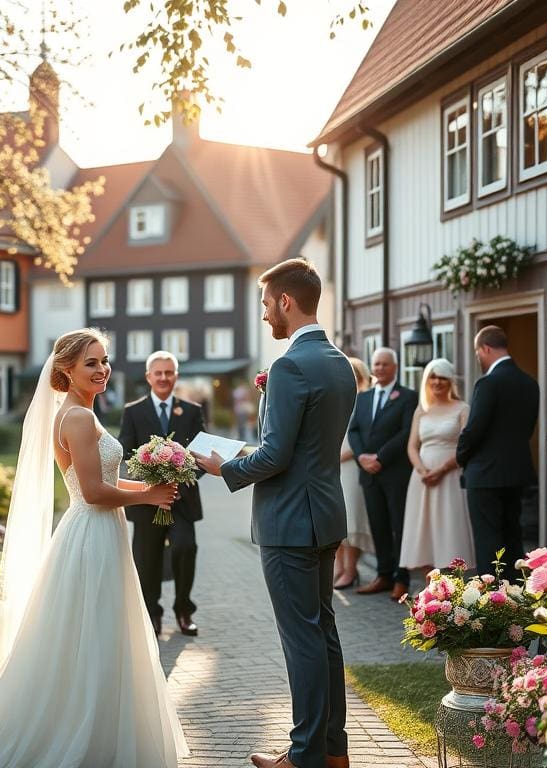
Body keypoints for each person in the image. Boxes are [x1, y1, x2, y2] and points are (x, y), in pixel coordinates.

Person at [0, 329, 189, 766]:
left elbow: (100, 482)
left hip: (96, 530)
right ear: (66, 369)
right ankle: (84, 739)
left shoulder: (79, 411)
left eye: (104, 361)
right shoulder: (79, 418)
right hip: (93, 533)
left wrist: (148, 484)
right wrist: (147, 496)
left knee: (97, 635)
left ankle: (100, 731)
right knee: (95, 635)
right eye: (91, 363)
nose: (102, 369)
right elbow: (92, 492)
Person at [195, 258, 356, 768]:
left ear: (286, 300)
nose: (265, 314)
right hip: (325, 516)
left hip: (289, 523)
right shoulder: (339, 362)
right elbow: (306, 447)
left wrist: (224, 467)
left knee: (302, 640)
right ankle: (333, 750)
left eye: (266, 303)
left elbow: (275, 455)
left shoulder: (290, 366)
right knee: (324, 635)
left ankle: (304, 755)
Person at [119, 350, 206, 637]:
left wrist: (183, 478)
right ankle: (152, 615)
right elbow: (125, 455)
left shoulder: (192, 411)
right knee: (147, 559)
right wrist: (148, 483)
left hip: (182, 500)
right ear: (148, 377)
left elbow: (202, 456)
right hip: (146, 501)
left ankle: (183, 610)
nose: (164, 378)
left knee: (185, 548)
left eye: (169, 372)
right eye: (158, 373)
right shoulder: (133, 411)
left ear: (176, 376)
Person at [457, 325, 539, 581]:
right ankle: (516, 595)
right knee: (513, 537)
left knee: (488, 541)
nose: (478, 358)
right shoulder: (529, 383)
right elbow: (527, 429)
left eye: (478, 352)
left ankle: (492, 601)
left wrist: (461, 457)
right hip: (516, 473)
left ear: (486, 349)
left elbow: (473, 430)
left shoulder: (488, 383)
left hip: (485, 475)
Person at [347, 348, 418, 601]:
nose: (379, 369)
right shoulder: (363, 398)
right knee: (378, 526)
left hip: (395, 473)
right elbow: (354, 431)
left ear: (395, 367)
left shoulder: (408, 397)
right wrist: (362, 457)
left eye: (385, 364)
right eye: (376, 364)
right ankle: (383, 575)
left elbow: (406, 432)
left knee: (398, 526)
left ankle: (402, 579)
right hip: (369, 474)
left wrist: (380, 458)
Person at [399, 359, 475, 575]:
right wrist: (423, 471)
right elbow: (412, 446)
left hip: (450, 475)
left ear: (451, 381)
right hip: (422, 478)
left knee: (449, 527)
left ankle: (453, 589)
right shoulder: (422, 409)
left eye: (442, 377)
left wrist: (441, 470)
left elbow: (465, 446)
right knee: (424, 530)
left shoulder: (462, 408)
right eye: (433, 376)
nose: (437, 381)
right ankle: (430, 591)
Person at [334, 356, 374, 589]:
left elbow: (363, 438)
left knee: (351, 519)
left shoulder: (363, 401)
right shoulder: (337, 400)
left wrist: (341, 456)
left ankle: (351, 570)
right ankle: (338, 568)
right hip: (332, 466)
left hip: (350, 465)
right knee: (335, 518)